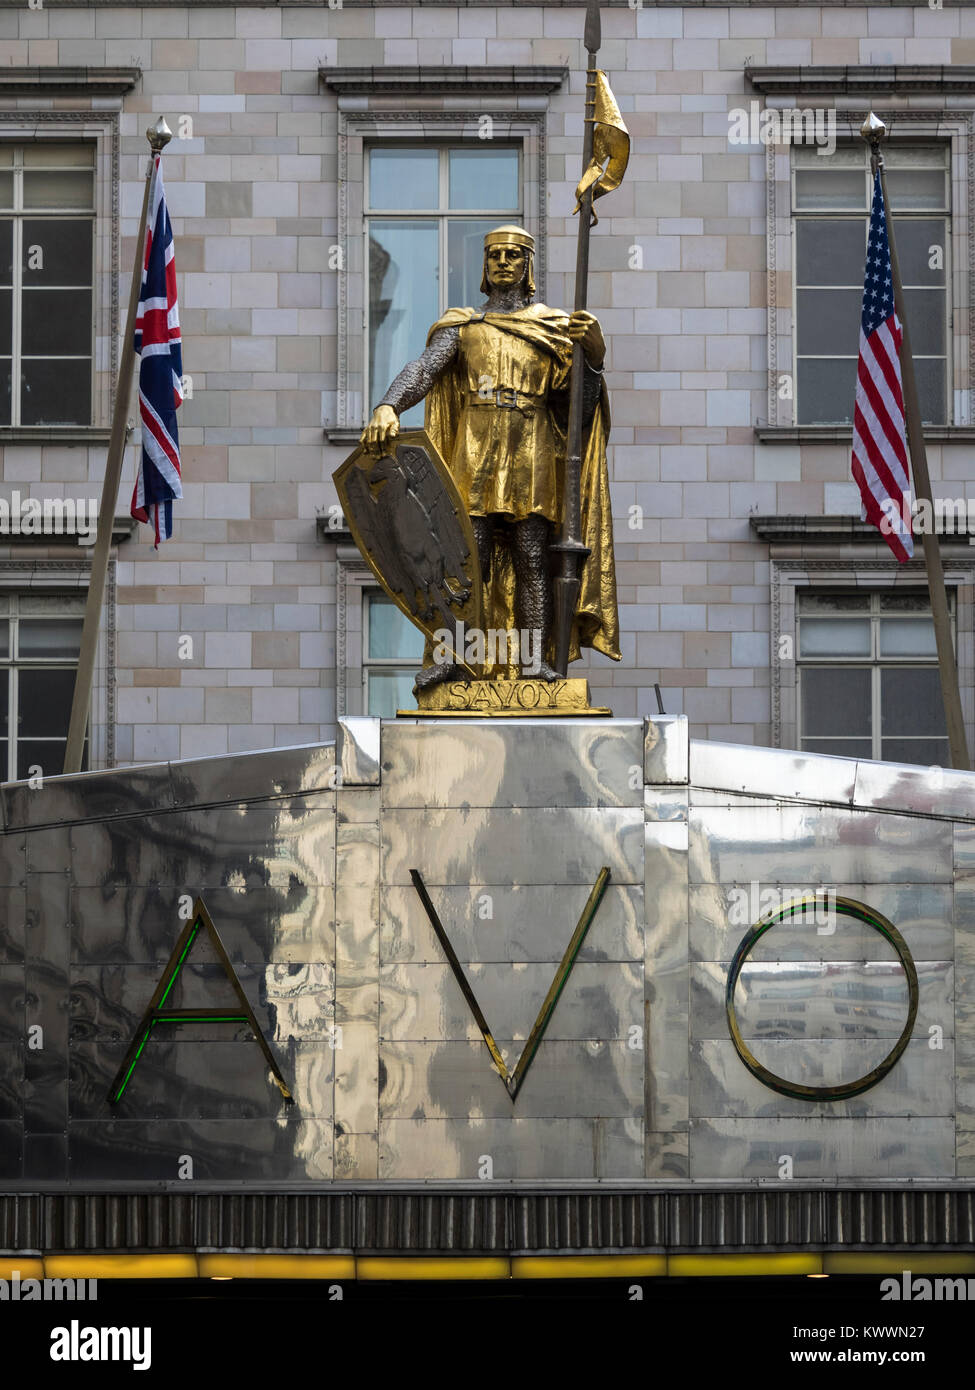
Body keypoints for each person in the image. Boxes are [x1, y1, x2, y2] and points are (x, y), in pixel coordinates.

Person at [361, 224, 619, 688]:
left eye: (513, 255)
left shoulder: (557, 329)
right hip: (475, 447)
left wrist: (594, 358)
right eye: (495, 255)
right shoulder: (463, 325)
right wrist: (388, 403)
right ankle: (455, 655)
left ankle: (533, 660)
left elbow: (577, 414)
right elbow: (423, 369)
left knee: (531, 559)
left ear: (528, 266)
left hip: (533, 443)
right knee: (465, 560)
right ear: (485, 266)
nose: (503, 262)